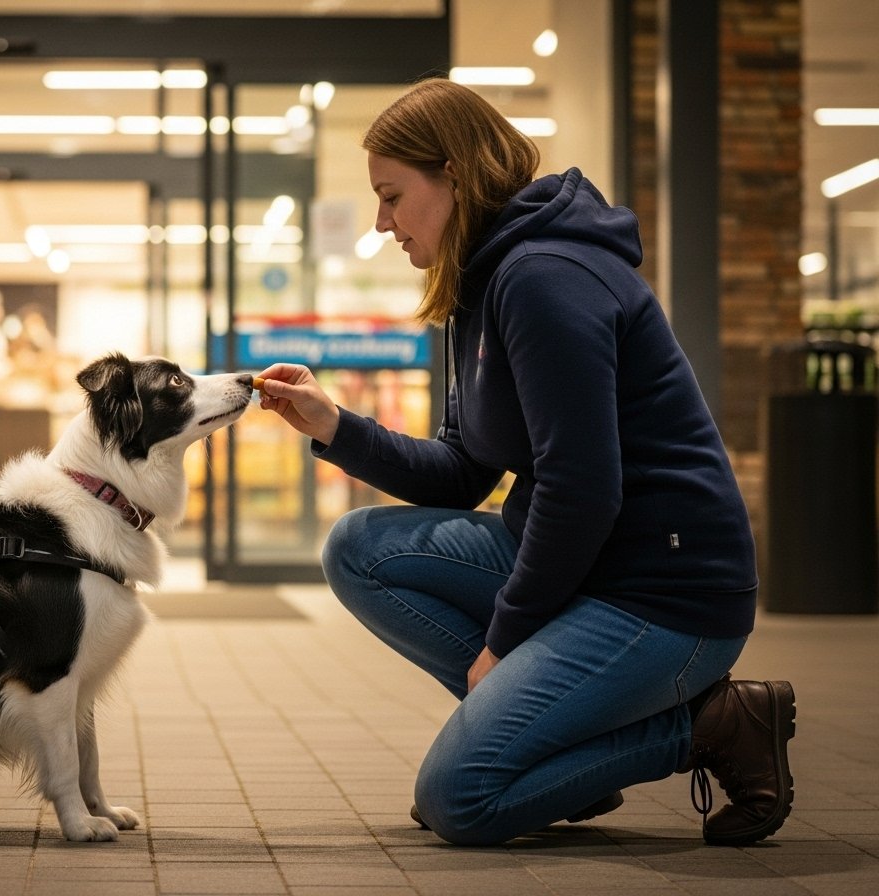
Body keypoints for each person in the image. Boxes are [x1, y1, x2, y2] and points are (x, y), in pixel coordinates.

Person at [255, 78, 795, 848]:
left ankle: (711, 726)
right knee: (360, 548)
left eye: (391, 196)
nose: (380, 223)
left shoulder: (544, 278)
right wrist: (334, 425)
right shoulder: (478, 284)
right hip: (591, 563)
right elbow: (461, 472)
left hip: (664, 593)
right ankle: (551, 753)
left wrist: (506, 641)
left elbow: (584, 490)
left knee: (460, 800)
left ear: (453, 177)